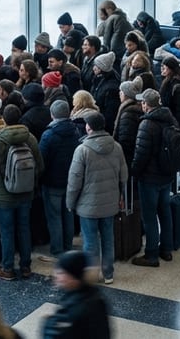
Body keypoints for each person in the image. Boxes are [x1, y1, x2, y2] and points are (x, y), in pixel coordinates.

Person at [0, 104, 42, 281]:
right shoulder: (30, 138)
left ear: (3, 120)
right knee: (24, 228)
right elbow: (39, 165)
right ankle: (25, 266)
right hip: (26, 193)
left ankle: (7, 268)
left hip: (4, 196)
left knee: (6, 232)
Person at [66, 112, 128, 285]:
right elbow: (124, 175)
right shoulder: (116, 147)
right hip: (110, 203)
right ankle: (108, 273)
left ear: (89, 127)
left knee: (90, 242)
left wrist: (70, 203)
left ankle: (91, 275)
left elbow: (74, 181)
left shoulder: (82, 150)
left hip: (88, 206)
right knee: (108, 239)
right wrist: (121, 196)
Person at [130, 89, 177, 266]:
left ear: (146, 105)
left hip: (150, 178)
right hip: (167, 175)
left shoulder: (147, 124)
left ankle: (151, 254)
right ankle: (166, 249)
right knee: (165, 213)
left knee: (149, 216)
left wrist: (134, 172)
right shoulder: (170, 119)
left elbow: (141, 154)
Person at [38, 92, 82, 263]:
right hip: (70, 181)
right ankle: (68, 246)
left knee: (54, 216)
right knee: (68, 214)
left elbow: (42, 160)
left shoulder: (49, 135)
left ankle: (57, 249)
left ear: (52, 115)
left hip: (52, 182)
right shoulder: (76, 131)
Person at [43, 250, 113, 339]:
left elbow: (52, 336)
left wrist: (49, 321)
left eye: (61, 273)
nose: (56, 275)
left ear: (73, 278)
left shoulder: (73, 311)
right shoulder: (96, 295)